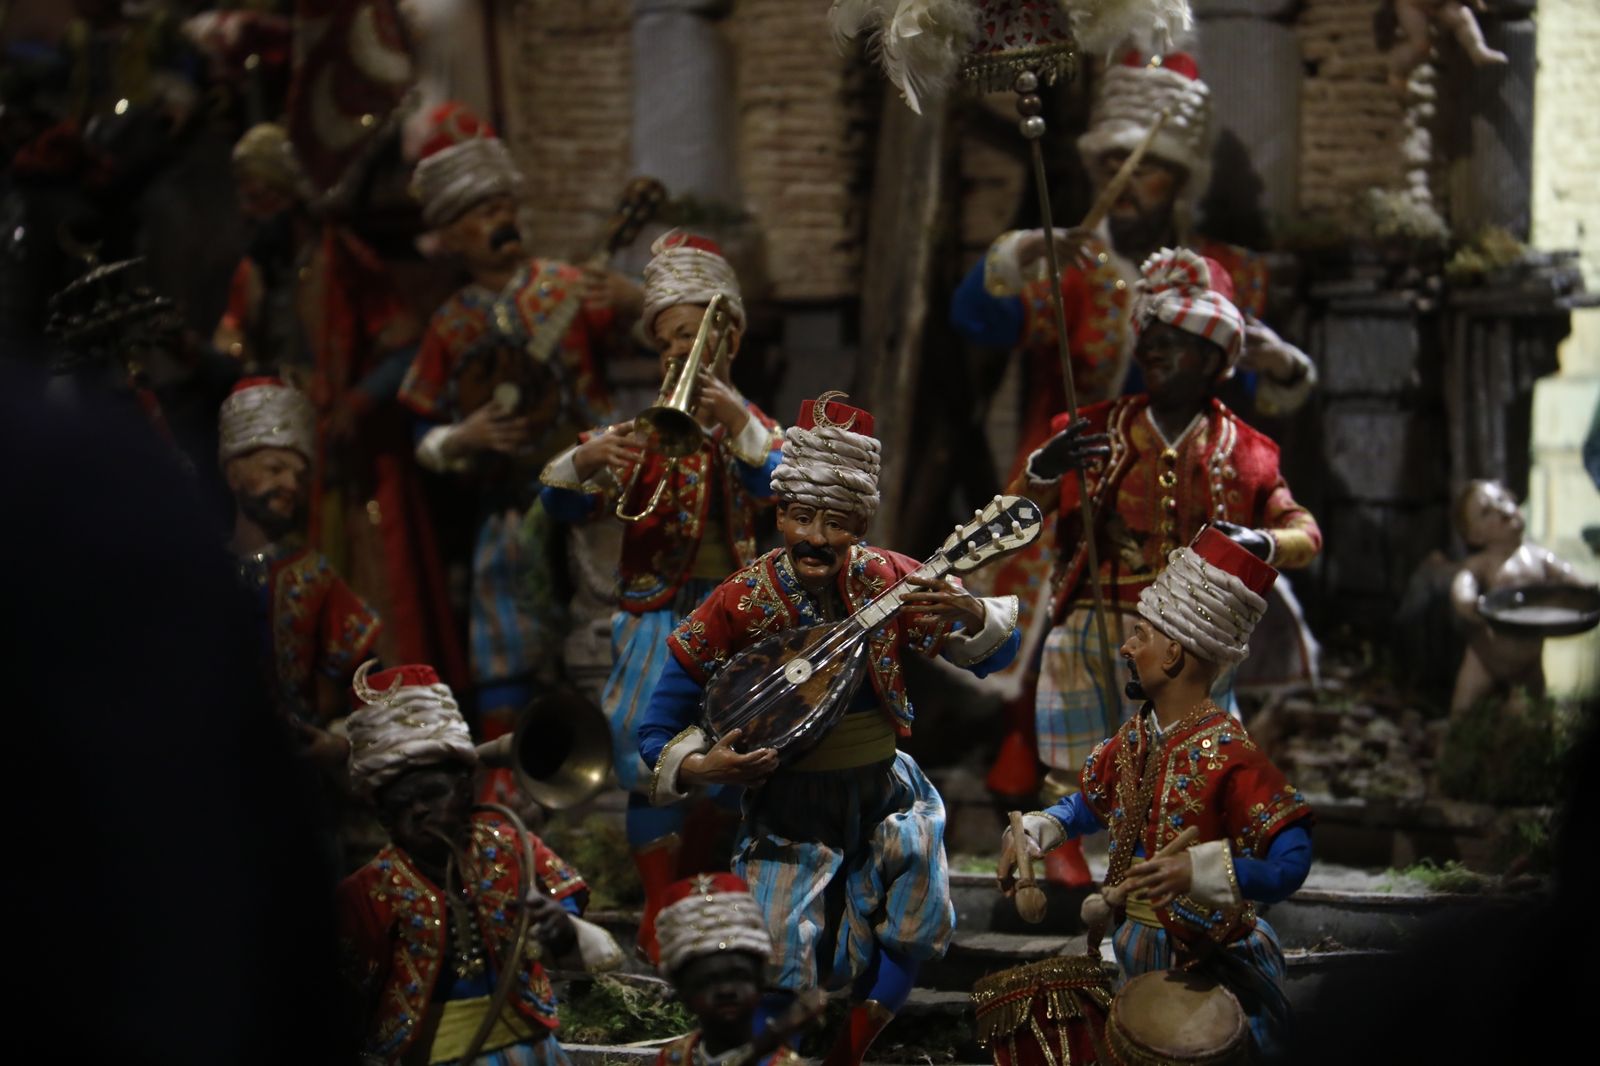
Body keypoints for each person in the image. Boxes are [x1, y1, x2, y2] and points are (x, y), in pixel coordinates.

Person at [950, 52, 1317, 836]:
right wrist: (1015, 258)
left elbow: (1244, 397)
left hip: (1177, 497)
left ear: (1177, 180)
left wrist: (1273, 361)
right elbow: (977, 323)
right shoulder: (1065, 265)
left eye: (1147, 168)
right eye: (1113, 162)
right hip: (1067, 475)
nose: (1129, 180)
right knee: (1047, 647)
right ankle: (1042, 810)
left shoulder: (1227, 278)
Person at [638, 394, 1023, 1066]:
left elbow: (996, 657)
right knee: (779, 938)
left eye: (838, 521)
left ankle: (851, 1052)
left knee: (913, 917)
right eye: (801, 515)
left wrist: (967, 611)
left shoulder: (891, 579)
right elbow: (656, 723)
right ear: (779, 511)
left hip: (883, 790)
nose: (815, 536)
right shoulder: (739, 598)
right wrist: (701, 768)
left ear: (863, 522)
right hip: (788, 803)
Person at [1024, 247, 1322, 884]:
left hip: (1196, 630)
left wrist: (1263, 544)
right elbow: (1019, 517)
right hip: (1096, 610)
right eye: (1149, 340)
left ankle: (1192, 846)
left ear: (1215, 358)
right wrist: (1044, 472)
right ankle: (1062, 847)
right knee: (1073, 702)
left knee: (1201, 742)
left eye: (1176, 342)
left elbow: (1303, 532)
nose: (1154, 353)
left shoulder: (1250, 452)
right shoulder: (1092, 429)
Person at [539, 231, 782, 963]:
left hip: (737, 619)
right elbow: (557, 505)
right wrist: (585, 461)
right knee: (654, 766)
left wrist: (736, 417)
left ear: (728, 338)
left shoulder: (756, 426)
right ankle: (655, 902)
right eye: (670, 339)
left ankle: (712, 888)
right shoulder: (636, 434)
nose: (682, 350)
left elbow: (778, 481)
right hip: (659, 622)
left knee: (733, 757)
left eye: (697, 334)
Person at [1000, 527, 1315, 1055]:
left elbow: (1292, 859)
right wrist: (1040, 829)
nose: (1126, 646)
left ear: (1172, 654)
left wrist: (1202, 871)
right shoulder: (1137, 736)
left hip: (1208, 955)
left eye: (1140, 635)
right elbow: (1092, 804)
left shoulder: (1231, 755)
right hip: (1135, 945)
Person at [398, 101, 638, 757]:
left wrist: (628, 299)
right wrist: (463, 438)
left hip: (593, 496)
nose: (498, 220)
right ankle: (514, 776)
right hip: (506, 503)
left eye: (502, 205)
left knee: (604, 624)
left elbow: (657, 336)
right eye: (479, 213)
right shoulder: (451, 323)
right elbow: (422, 424)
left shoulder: (567, 285)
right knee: (503, 639)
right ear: (449, 236)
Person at [219, 120, 463, 681]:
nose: (248, 211)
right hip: (280, 448)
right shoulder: (254, 273)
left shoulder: (342, 260)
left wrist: (355, 402)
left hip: (347, 455)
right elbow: (230, 346)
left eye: (260, 198)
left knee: (375, 578)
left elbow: (404, 345)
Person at [337, 662, 590, 1066]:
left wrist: (561, 925)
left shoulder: (512, 846)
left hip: (534, 1046)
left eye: (433, 794)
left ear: (466, 789)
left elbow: (571, 916)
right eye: (402, 805)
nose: (419, 811)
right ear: (383, 818)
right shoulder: (367, 890)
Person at [219, 376, 379, 759]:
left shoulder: (313, 575)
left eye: (300, 475)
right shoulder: (202, 571)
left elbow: (371, 677)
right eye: (275, 469)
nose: (290, 484)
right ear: (233, 472)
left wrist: (344, 744)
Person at [1448, 478, 1597, 717]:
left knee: (1538, 711)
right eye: (1486, 511)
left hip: (1529, 660)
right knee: (1464, 708)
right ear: (1475, 536)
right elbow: (1462, 583)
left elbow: (1566, 575)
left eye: (1501, 499)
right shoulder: (1484, 563)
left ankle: (1537, 743)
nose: (1500, 509)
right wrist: (1467, 601)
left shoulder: (1538, 556)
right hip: (1487, 656)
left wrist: (1586, 589)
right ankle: (1454, 742)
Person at [653, 873, 801, 1066]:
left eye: (739, 976)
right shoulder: (672, 1060)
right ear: (684, 994)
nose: (726, 990)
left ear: (760, 983)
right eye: (707, 981)